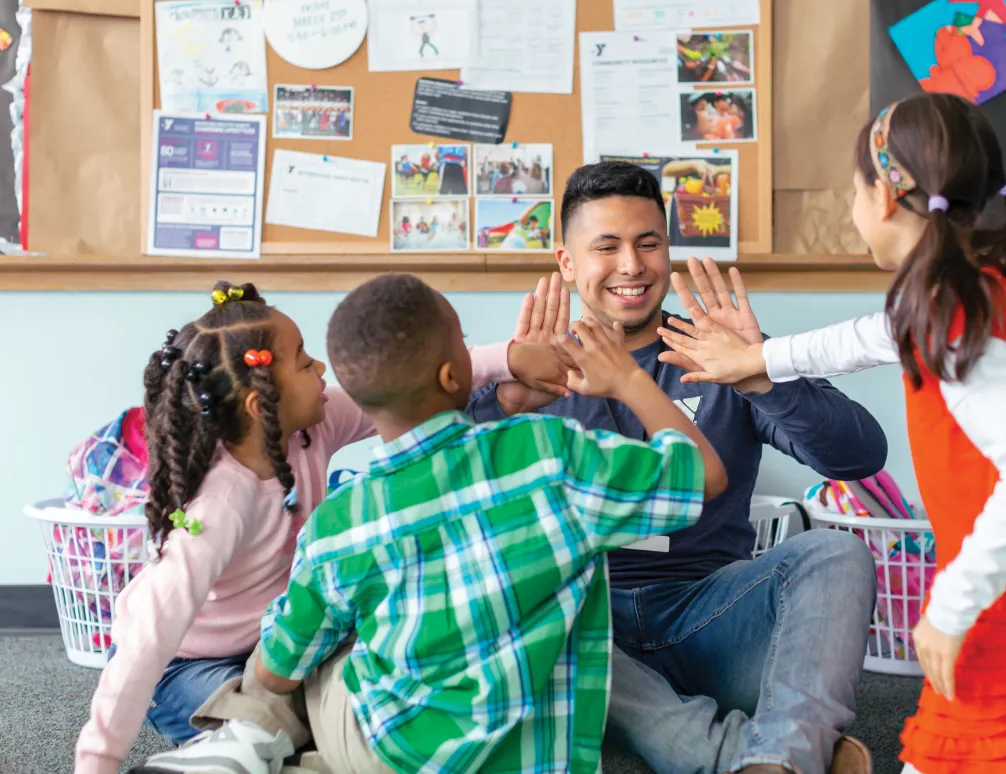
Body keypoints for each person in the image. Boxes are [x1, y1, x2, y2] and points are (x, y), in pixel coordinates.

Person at [656, 94, 1006, 774]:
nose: (853, 204)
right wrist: (759, 359)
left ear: (884, 196)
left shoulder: (954, 317)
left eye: (853, 189)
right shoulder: (950, 293)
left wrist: (950, 602)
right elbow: (856, 341)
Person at [131, 272, 727, 774]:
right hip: (538, 759)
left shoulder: (341, 523)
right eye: (465, 345)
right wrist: (629, 379)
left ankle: (248, 744)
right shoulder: (551, 455)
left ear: (355, 400)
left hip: (390, 751)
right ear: (453, 376)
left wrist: (270, 673)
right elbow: (703, 474)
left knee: (314, 652)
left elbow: (279, 665)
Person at [466, 161, 888, 774]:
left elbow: (859, 457)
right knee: (516, 611)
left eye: (649, 243)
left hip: (710, 619)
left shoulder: (718, 351)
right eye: (606, 247)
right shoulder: (526, 377)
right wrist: (504, 403)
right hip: (584, 626)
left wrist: (761, 374)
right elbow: (439, 511)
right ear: (566, 263)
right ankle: (753, 755)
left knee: (835, 553)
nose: (632, 266)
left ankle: (775, 755)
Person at [74, 279, 572, 774]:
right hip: (185, 666)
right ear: (259, 404)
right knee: (298, 727)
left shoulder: (314, 428)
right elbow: (147, 638)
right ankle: (221, 753)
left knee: (369, 700)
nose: (321, 369)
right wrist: (98, 761)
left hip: (279, 642)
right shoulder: (221, 504)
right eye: (303, 360)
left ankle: (253, 743)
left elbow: (401, 384)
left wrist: (511, 358)